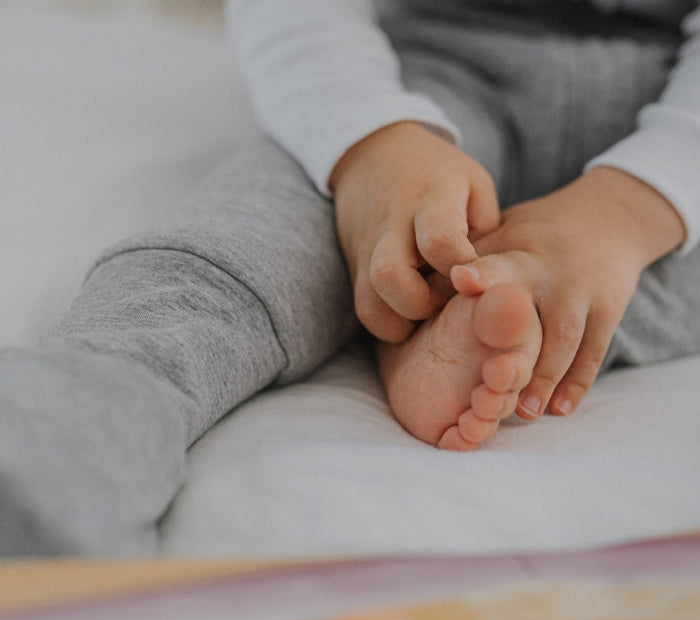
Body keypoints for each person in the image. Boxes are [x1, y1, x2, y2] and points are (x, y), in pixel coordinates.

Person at [1, 0, 699, 555]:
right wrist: (368, 140)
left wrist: (630, 211)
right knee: (251, 240)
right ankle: (75, 423)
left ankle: (444, 309)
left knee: (594, 286)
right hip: (421, 78)